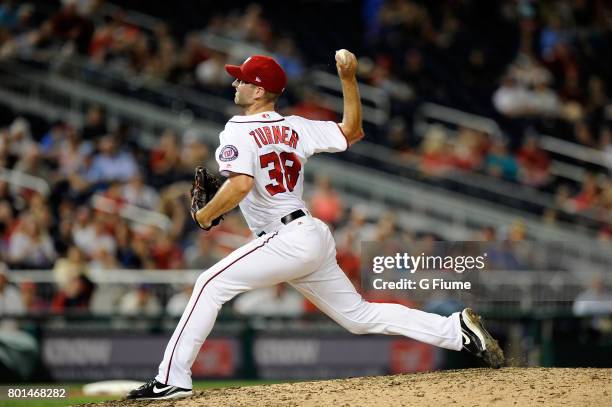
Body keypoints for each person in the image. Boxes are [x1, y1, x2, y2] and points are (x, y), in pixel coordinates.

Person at [128, 51, 504, 400]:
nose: (234, 84)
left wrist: (206, 215)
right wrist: (349, 78)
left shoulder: (237, 129)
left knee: (209, 284)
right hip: (309, 235)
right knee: (359, 317)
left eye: (241, 80)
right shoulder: (296, 127)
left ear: (259, 90)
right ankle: (456, 330)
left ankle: (172, 379)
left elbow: (240, 185)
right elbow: (352, 131)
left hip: (286, 237)